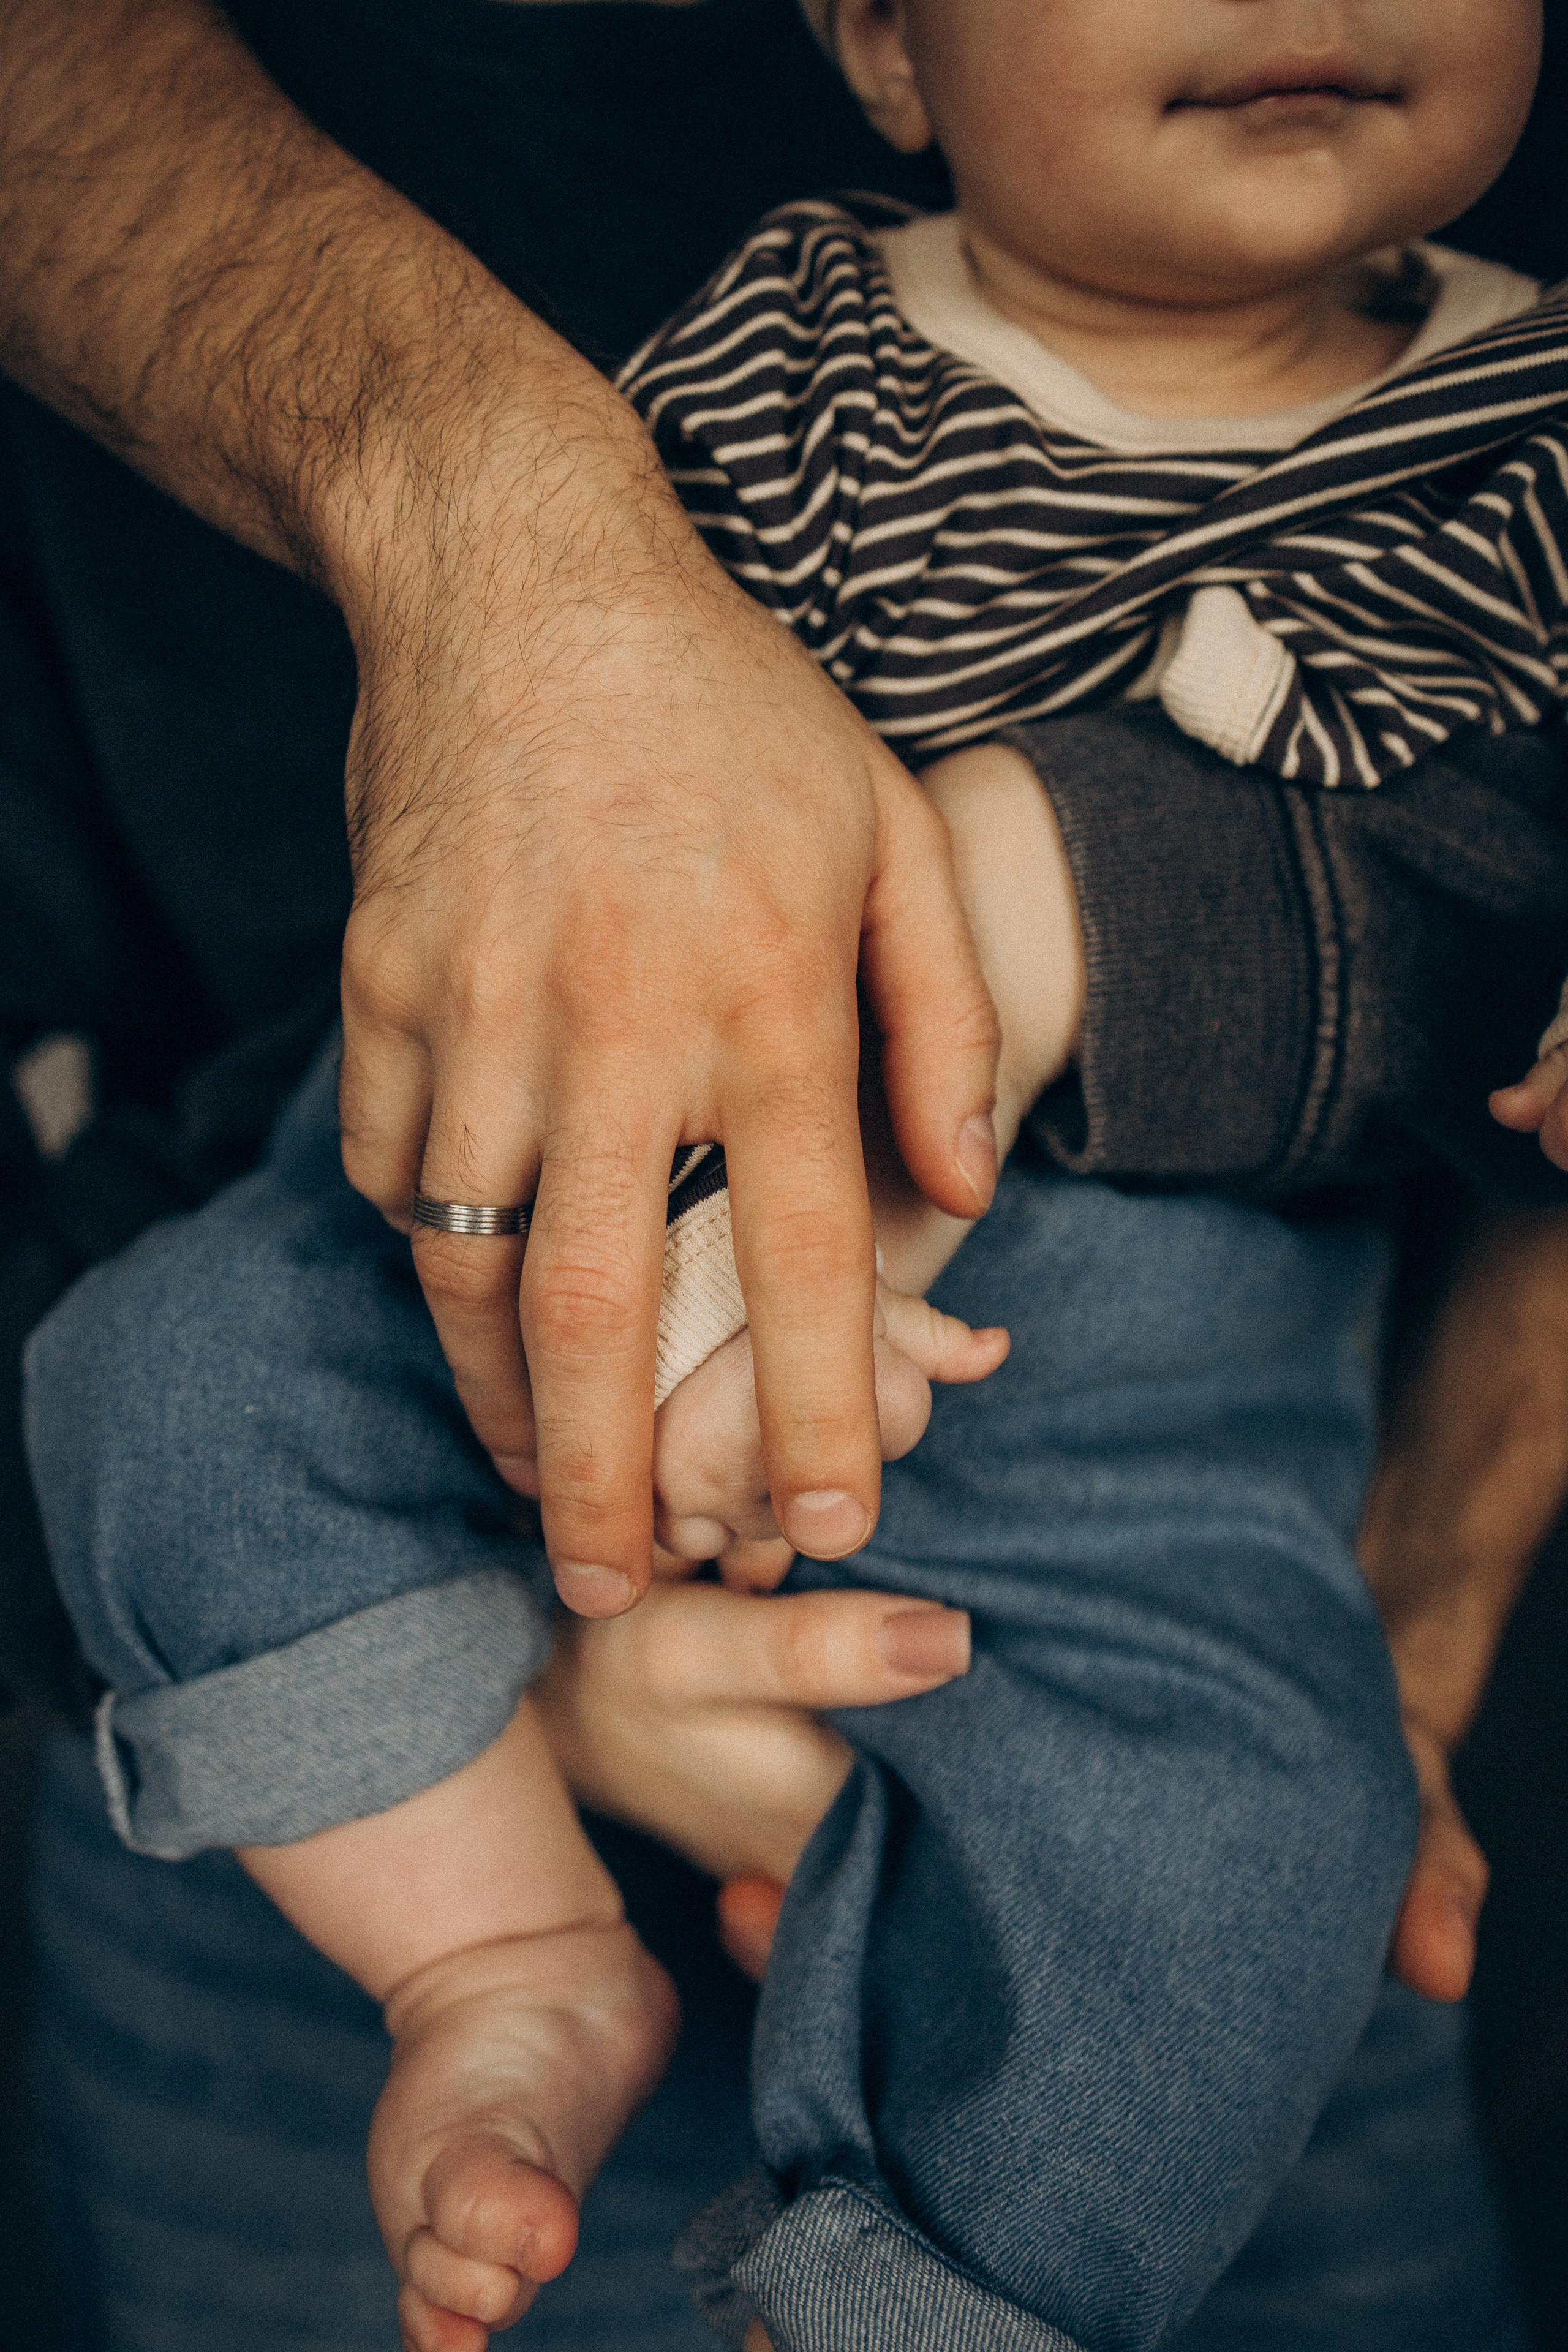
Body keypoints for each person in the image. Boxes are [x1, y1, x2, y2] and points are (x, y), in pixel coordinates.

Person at [4, 4, 1567, 2350]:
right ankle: (496, 1947)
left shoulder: (1529, 442)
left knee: (1264, 1834)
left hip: (1130, 1435)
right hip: (525, 1278)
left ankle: (922, 2291)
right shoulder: (787, 347)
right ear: (888, 51)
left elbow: (1498, 897)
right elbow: (551, 816)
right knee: (162, 1384)